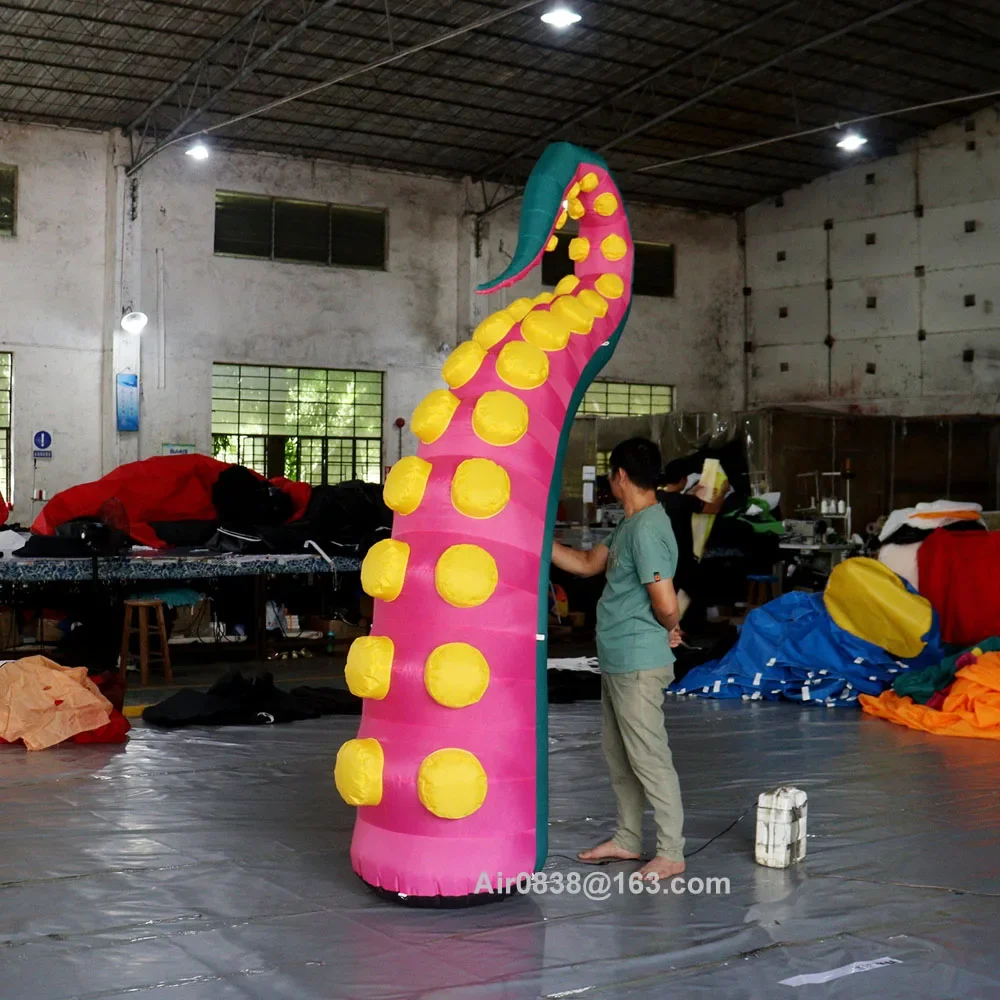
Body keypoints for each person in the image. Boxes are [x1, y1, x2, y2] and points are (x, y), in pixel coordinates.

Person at [551, 437, 686, 879]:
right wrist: (537, 539)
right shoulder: (629, 525)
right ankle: (628, 838)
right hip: (618, 658)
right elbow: (588, 563)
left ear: (621, 476)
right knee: (620, 754)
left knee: (647, 754)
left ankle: (671, 850)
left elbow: (664, 601)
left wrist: (671, 626)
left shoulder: (647, 528)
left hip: (638, 660)